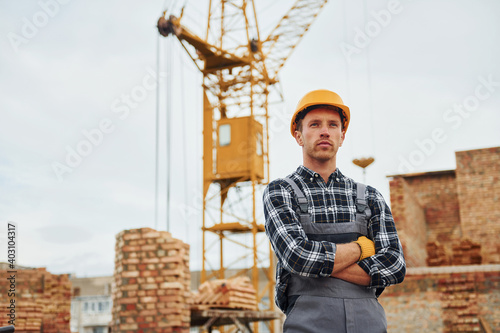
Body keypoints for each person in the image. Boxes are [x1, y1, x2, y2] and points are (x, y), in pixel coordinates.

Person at [263, 89, 406, 332]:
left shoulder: (370, 196)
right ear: (298, 135)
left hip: (368, 324)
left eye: (332, 124)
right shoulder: (280, 191)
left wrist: (319, 268)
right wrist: (362, 248)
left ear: (342, 135)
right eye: (315, 124)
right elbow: (298, 257)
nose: (325, 131)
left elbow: (394, 265)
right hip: (308, 324)